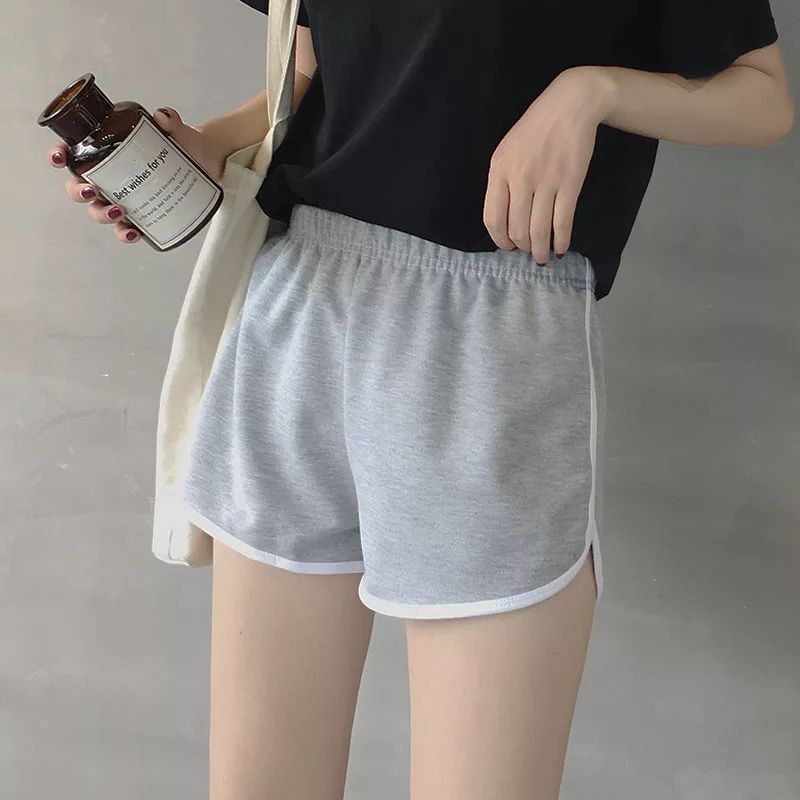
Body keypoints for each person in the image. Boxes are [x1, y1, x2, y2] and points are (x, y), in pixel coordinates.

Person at [48, 1, 794, 798]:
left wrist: (594, 92)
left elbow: (762, 98)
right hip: (299, 312)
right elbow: (311, 68)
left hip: (489, 338)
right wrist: (204, 144)